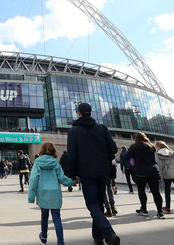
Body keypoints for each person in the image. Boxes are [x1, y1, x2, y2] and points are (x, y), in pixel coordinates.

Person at [67, 103, 120, 245]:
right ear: (90, 113)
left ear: (78, 113)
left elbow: (72, 156)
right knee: (99, 203)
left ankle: (109, 233)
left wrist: (72, 176)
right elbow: (113, 148)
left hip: (86, 172)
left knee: (92, 204)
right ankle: (97, 237)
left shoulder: (74, 131)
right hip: (102, 171)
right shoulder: (102, 128)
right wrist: (104, 159)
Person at [28, 142, 74, 245]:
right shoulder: (55, 163)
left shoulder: (37, 163)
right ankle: (60, 242)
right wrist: (72, 182)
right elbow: (62, 178)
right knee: (57, 218)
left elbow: (34, 180)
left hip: (43, 194)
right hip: (55, 194)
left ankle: (44, 237)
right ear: (53, 151)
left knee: (44, 215)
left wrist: (31, 197)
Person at [127, 132, 164, 219]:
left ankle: (144, 209)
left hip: (140, 172)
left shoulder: (133, 147)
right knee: (156, 192)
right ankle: (160, 212)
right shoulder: (151, 146)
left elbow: (127, 157)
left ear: (136, 138)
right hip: (153, 171)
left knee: (141, 191)